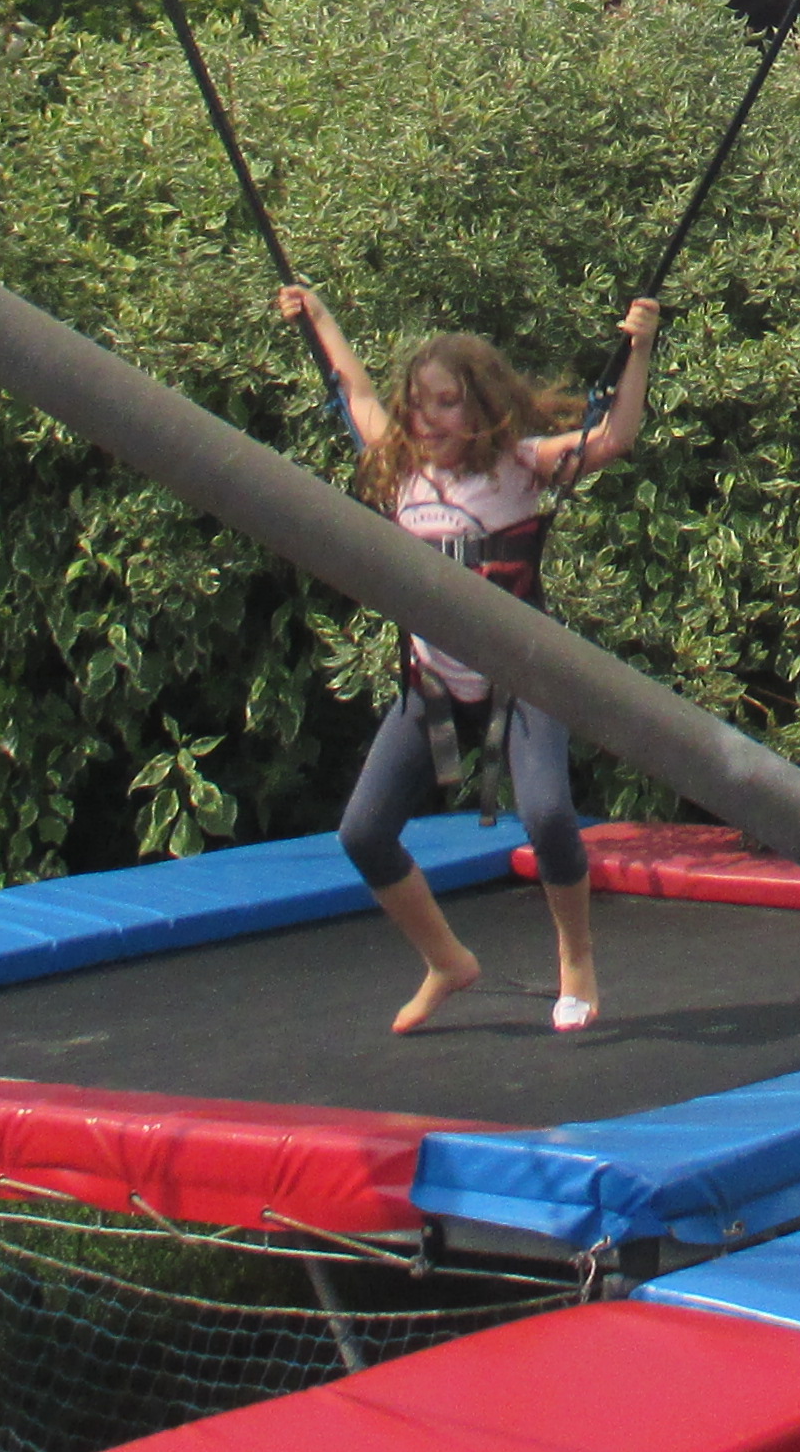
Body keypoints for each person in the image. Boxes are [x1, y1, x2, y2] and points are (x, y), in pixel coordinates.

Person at [281, 284, 663, 1035]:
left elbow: (613, 436)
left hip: (522, 680)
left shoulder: (519, 467)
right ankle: (447, 961)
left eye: (448, 403)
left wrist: (640, 348)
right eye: (421, 404)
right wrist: (319, 316)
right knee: (363, 833)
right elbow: (352, 392)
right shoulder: (399, 466)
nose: (430, 419)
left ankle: (577, 960)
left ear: (482, 407)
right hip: (434, 685)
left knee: (548, 815)